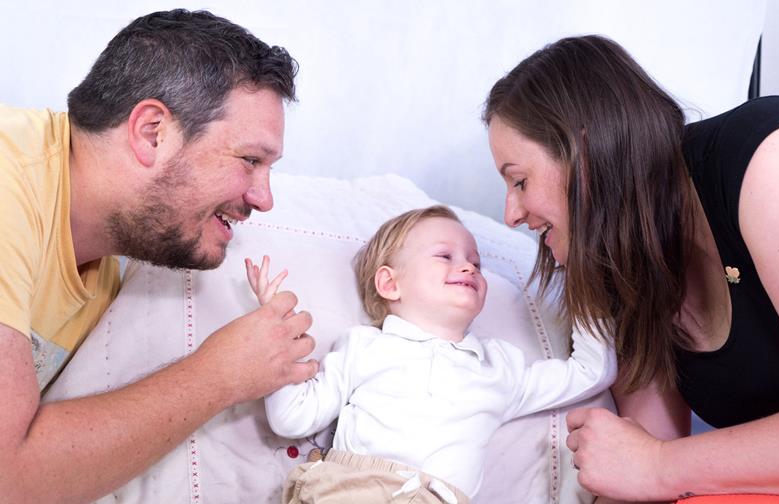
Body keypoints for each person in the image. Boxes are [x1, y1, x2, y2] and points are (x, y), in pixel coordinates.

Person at [483, 34, 779, 503]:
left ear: (586, 153)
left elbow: (655, 465)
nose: (511, 215)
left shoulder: (777, 164)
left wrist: (661, 466)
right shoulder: (622, 266)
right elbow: (638, 467)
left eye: (520, 181)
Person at [0, 9, 318, 502]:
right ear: (153, 132)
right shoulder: (8, 180)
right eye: (251, 160)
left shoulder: (116, 254)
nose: (264, 198)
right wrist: (220, 374)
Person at [245, 204, 617, 503]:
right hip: (353, 488)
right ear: (390, 283)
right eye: (445, 255)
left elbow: (590, 371)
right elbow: (292, 419)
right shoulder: (364, 347)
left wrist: (590, 290)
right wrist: (276, 333)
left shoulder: (500, 368)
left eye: (476, 262)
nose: (469, 266)